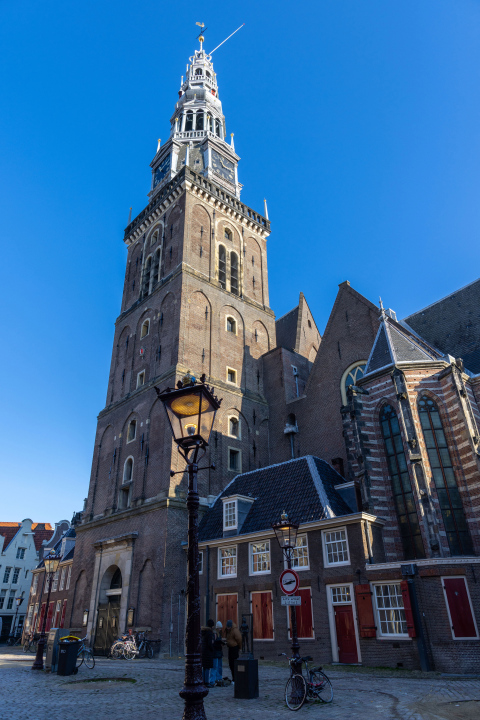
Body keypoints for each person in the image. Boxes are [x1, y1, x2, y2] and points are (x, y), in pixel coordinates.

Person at [224, 619, 242, 683]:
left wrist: (239, 647)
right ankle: (234, 678)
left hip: (234, 648)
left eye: (228, 627)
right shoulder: (229, 630)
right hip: (230, 648)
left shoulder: (235, 630)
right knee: (231, 664)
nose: (227, 628)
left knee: (234, 664)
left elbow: (239, 639)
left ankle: (235, 678)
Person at [201, 618, 215, 688]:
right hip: (208, 652)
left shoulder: (203, 632)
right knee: (207, 668)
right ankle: (206, 682)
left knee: (204, 667)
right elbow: (210, 643)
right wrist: (212, 648)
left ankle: (203, 681)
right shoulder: (209, 633)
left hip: (203, 651)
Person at [213, 621, 224, 685]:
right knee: (216, 666)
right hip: (217, 651)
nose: (220, 629)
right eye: (219, 628)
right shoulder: (215, 634)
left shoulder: (219, 634)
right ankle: (216, 678)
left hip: (219, 651)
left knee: (219, 666)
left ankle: (219, 678)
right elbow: (214, 643)